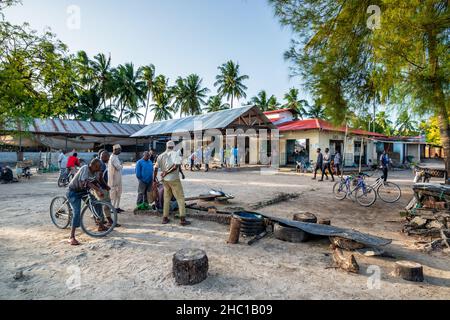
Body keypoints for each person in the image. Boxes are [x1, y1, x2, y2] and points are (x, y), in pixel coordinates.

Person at [67, 159, 107, 246]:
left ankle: (100, 225)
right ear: (93, 166)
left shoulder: (95, 172)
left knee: (96, 204)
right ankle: (71, 237)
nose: (99, 168)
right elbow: (84, 182)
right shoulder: (85, 168)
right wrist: (97, 189)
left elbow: (95, 182)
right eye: (98, 166)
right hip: (73, 192)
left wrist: (100, 189)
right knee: (77, 212)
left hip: (84, 191)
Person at [154, 141, 191, 226]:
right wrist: (166, 172)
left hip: (165, 181)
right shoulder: (175, 154)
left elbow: (155, 168)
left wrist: (154, 179)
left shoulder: (161, 155)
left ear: (166, 146)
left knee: (166, 199)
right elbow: (175, 166)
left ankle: (165, 218)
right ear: (173, 147)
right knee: (180, 198)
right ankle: (182, 219)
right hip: (174, 179)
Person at [108, 144, 124, 213]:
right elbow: (118, 167)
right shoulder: (113, 158)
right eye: (119, 150)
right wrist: (121, 165)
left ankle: (117, 207)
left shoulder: (116, 157)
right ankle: (112, 208)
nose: (120, 151)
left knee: (118, 193)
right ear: (115, 150)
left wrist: (120, 165)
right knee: (113, 194)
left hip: (118, 178)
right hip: (113, 179)